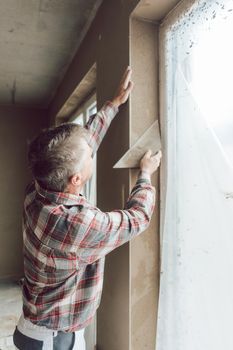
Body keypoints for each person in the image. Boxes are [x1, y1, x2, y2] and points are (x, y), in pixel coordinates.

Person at [13, 67, 162, 350]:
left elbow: (78, 146)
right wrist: (145, 175)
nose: (91, 153)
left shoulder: (36, 190)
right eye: (90, 156)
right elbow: (138, 218)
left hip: (35, 327)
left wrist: (113, 105)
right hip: (54, 341)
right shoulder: (75, 225)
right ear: (76, 179)